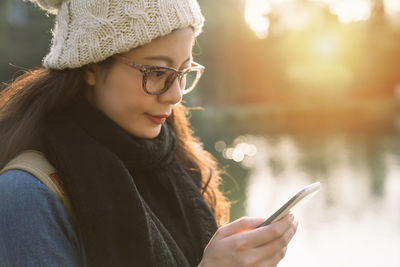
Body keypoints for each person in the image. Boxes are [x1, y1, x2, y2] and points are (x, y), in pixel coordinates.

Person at [0, 0, 298, 266]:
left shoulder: (175, 161)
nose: (176, 96)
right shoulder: (28, 195)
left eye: (184, 72)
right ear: (89, 66)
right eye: (157, 73)